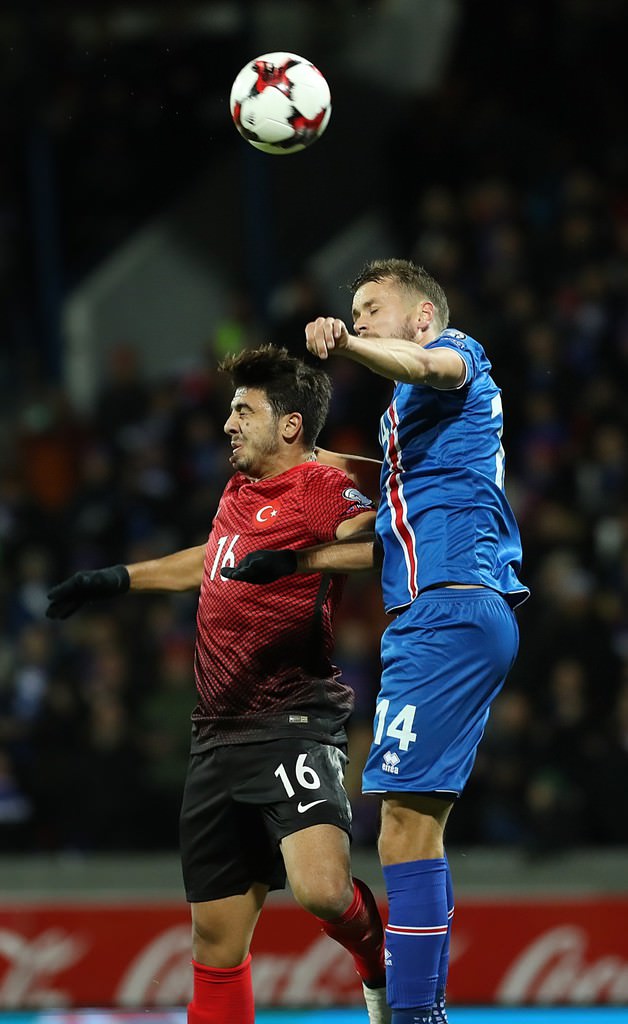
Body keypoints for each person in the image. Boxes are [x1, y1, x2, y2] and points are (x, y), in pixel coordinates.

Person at [46, 345, 391, 1024]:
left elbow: (382, 543)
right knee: (216, 943)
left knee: (322, 891)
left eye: (244, 411)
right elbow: (215, 560)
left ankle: (378, 957)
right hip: (216, 740)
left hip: (291, 723)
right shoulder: (238, 491)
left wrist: (299, 560)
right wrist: (118, 579)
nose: (229, 424)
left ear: (289, 425)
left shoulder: (321, 488)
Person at [225, 260, 530, 1024]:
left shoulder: (455, 355)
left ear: (422, 317)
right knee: (412, 829)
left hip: (449, 609)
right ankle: (423, 1010)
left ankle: (417, 1016)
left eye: (371, 308)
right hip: (438, 614)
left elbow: (426, 365)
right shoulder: (418, 433)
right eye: (354, 312)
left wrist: (349, 347)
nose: (358, 318)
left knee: (402, 832)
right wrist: (296, 560)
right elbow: (386, 535)